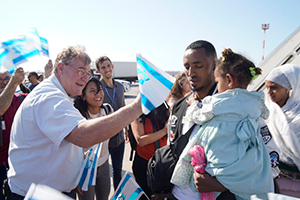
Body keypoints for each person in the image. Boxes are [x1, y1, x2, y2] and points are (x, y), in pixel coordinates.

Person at [7, 46, 142, 200]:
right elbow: (83, 135)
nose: (85, 79)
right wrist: (137, 107)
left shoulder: (57, 94)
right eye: (81, 72)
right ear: (61, 68)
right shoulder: (49, 97)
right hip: (37, 195)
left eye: (88, 73)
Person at [171, 48, 274, 199]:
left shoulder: (216, 103)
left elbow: (271, 160)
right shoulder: (254, 104)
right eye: (187, 67)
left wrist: (221, 184)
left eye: (198, 66)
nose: (191, 72)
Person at [264, 64, 300, 198]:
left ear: (290, 88)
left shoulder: (297, 115)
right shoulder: (266, 112)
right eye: (267, 87)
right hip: (272, 182)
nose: (269, 92)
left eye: (274, 87)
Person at [74, 78, 112, 200]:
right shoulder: (77, 116)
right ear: (83, 96)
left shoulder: (108, 110)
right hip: (84, 168)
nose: (98, 94)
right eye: (92, 91)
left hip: (104, 164)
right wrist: (77, 175)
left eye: (99, 90)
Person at [95, 56, 128, 190]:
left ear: (112, 66)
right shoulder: (97, 88)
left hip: (118, 135)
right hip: (102, 137)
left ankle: (117, 195)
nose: (107, 69)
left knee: (117, 170)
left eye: (108, 66)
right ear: (99, 70)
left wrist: (127, 129)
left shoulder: (119, 87)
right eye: (103, 67)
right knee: (100, 171)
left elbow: (124, 108)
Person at [131, 102, 169, 200]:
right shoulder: (137, 112)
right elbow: (141, 140)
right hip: (144, 164)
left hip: (162, 164)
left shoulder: (165, 109)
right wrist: (164, 131)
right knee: (145, 196)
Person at [0, 68, 26, 200]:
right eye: (0, 80)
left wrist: (49, 74)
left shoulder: (20, 99)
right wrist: (13, 82)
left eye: (6, 79)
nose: (4, 83)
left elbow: (42, 98)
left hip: (18, 165)